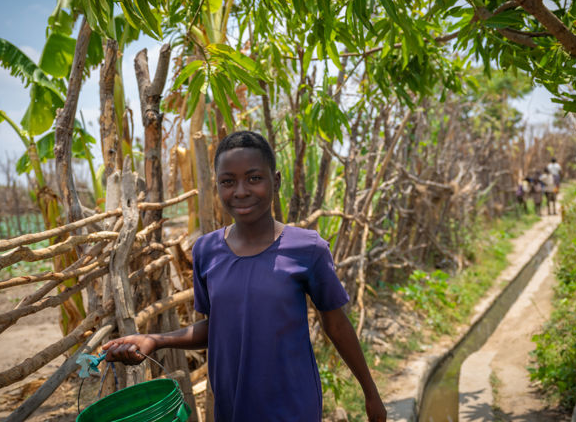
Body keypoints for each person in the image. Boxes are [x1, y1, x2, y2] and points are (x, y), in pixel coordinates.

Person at [103, 131, 386, 422]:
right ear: (217, 186)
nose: (240, 191)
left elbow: (336, 325)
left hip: (292, 406)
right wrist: (155, 340)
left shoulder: (307, 249)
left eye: (254, 178)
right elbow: (217, 327)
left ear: (275, 181)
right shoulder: (206, 250)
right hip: (233, 407)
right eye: (228, 181)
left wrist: (371, 393)